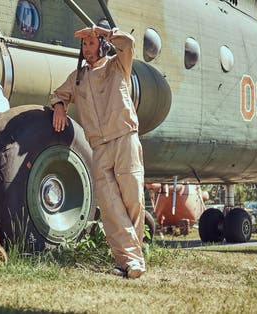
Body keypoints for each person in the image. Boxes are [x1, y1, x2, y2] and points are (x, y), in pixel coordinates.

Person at [50, 25, 146, 279]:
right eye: (84, 45)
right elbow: (59, 94)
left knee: (132, 199)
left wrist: (102, 31)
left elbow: (128, 43)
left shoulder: (118, 65)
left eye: (92, 43)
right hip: (99, 147)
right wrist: (59, 107)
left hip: (125, 138)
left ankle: (130, 260)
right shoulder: (78, 77)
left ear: (102, 44)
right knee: (110, 206)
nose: (87, 48)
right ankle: (130, 261)